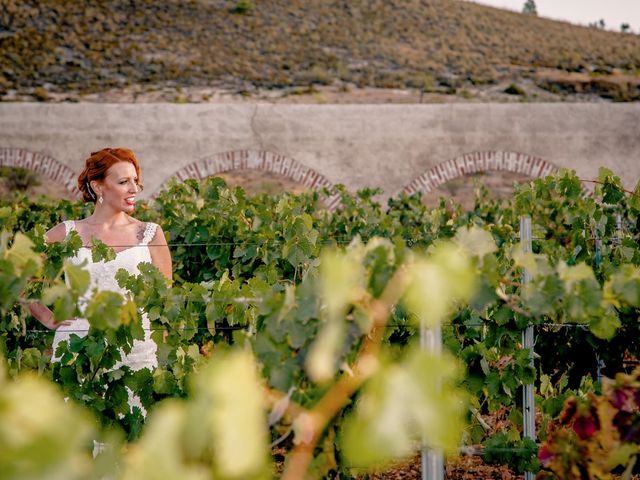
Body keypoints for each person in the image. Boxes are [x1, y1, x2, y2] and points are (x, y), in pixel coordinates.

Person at [28, 147, 172, 413]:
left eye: (135, 180)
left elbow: (162, 299)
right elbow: (20, 276)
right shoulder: (66, 233)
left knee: (130, 436)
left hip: (135, 352)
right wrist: (46, 317)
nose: (134, 189)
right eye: (123, 181)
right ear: (99, 187)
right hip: (77, 351)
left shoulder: (150, 234)